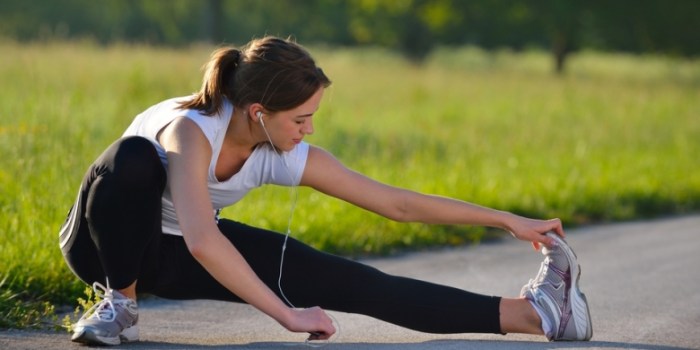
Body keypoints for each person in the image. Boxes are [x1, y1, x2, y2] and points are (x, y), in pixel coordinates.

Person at [58, 36, 592, 346]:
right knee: (129, 161)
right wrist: (287, 316)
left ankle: (537, 314)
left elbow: (396, 204)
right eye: (303, 118)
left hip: (172, 254)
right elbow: (202, 238)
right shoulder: (191, 131)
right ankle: (118, 306)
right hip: (103, 246)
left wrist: (507, 220)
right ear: (259, 113)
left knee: (350, 280)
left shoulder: (277, 147)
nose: (309, 130)